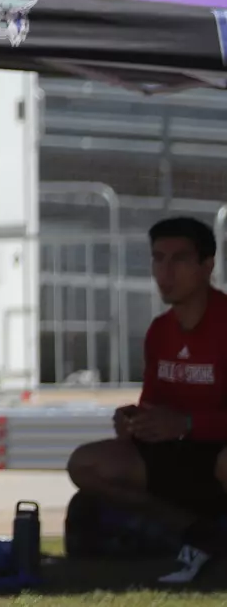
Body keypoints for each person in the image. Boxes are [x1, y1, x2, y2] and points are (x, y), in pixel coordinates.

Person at [67, 217, 227, 585]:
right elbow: (153, 404)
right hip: (178, 453)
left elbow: (181, 419)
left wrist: (187, 423)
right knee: (86, 464)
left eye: (179, 259)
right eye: (158, 259)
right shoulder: (159, 331)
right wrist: (133, 421)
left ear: (208, 265)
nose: (165, 272)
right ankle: (196, 532)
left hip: (218, 452)